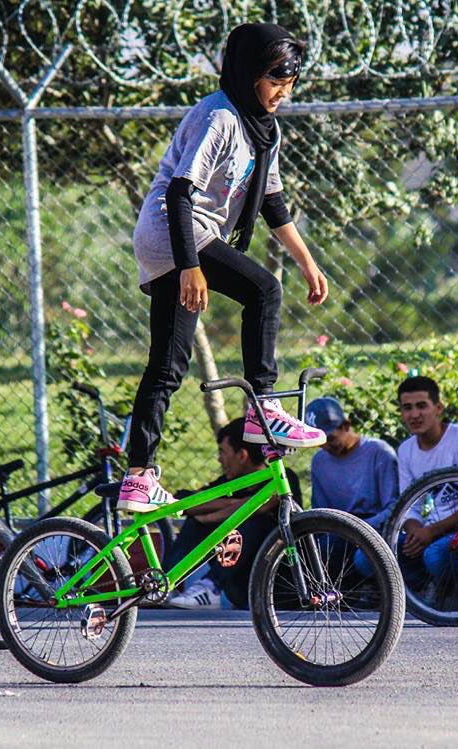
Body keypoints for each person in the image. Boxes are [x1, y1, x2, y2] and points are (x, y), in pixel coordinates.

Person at [117, 22, 328, 514]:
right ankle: (264, 408)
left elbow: (273, 202)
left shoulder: (265, 129)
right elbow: (180, 192)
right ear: (248, 73)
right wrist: (190, 267)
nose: (283, 93)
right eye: (275, 81)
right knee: (263, 290)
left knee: (168, 365)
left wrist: (308, 262)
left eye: (290, 83)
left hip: (183, 241)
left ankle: (138, 477)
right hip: (174, 231)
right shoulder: (220, 116)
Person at [165, 418, 302, 610]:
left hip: (280, 581)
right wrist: (231, 504)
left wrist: (210, 516)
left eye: (223, 452)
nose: (219, 459)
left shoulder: (282, 477)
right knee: (196, 523)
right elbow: (184, 501)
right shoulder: (229, 483)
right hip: (240, 586)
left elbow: (259, 507)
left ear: (242, 455)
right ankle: (163, 584)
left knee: (256, 522)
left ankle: (211, 586)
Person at [394, 376, 458, 608]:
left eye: (422, 406)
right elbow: (409, 504)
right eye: (407, 408)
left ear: (438, 408)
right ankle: (431, 585)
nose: (414, 414)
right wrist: (416, 531)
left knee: (434, 555)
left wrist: (431, 532)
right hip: (432, 533)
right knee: (374, 555)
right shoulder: (406, 450)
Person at [305, 396, 399, 535]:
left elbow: (393, 507)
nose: (326, 446)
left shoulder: (378, 451)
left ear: (346, 426)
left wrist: (359, 530)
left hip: (375, 528)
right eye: (320, 441)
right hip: (339, 530)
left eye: (330, 438)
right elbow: (320, 511)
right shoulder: (319, 461)